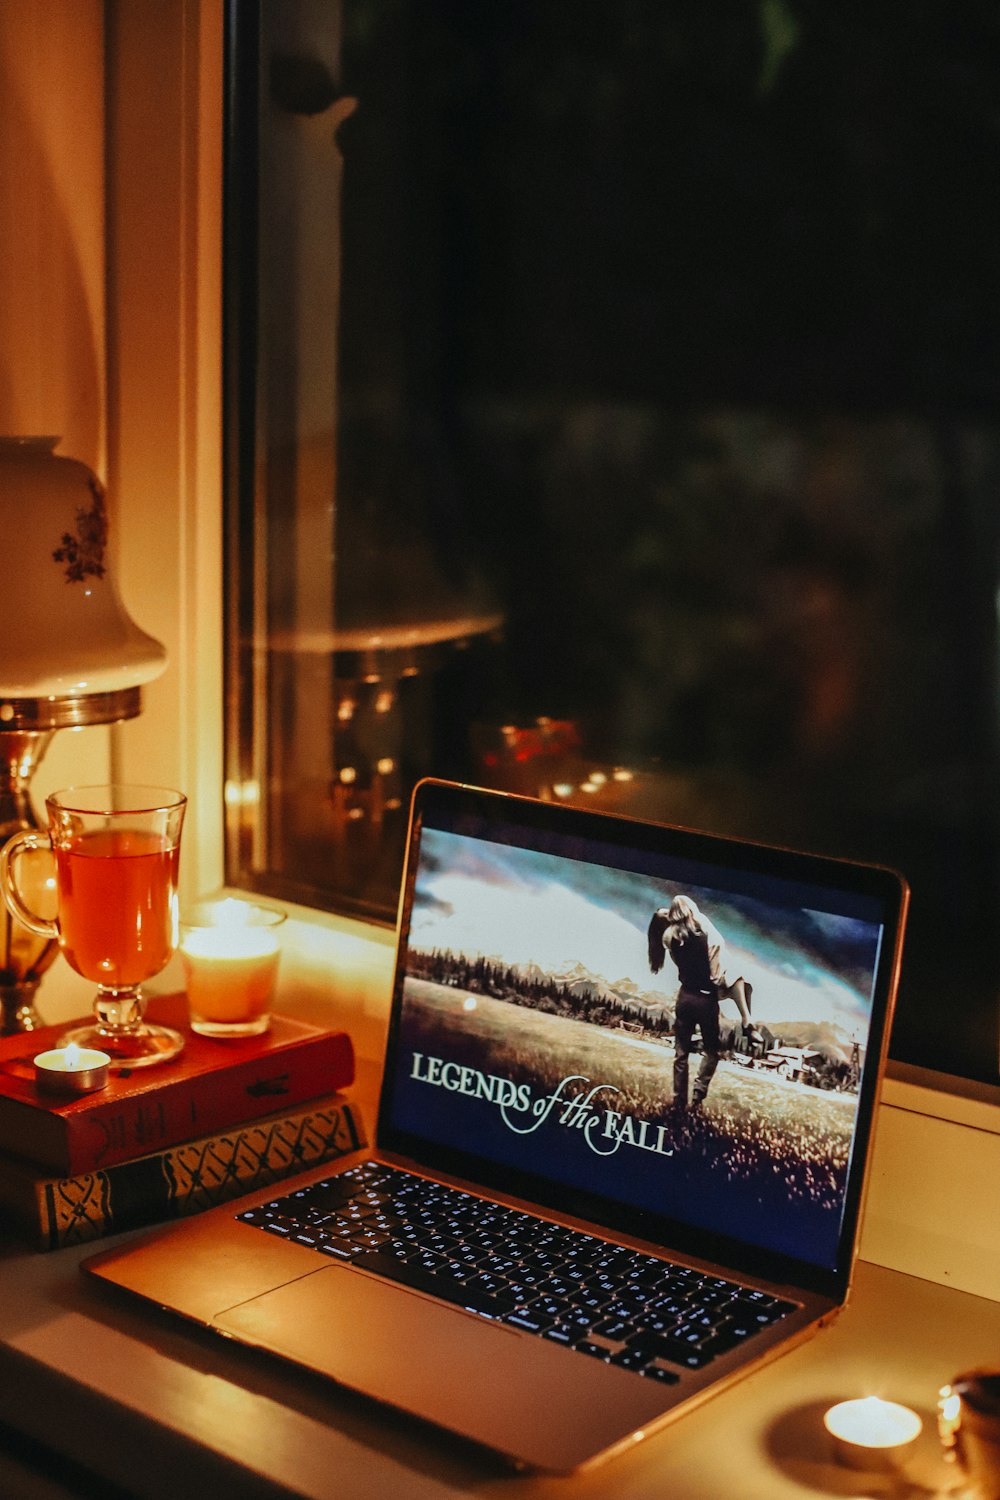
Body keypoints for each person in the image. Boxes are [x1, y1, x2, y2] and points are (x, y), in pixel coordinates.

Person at [647, 894, 758, 1111]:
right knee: (712, 1051)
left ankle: (679, 1102)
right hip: (706, 999)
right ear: (690, 909)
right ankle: (697, 1096)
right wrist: (720, 979)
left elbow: (672, 932)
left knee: (681, 1054)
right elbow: (716, 956)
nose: (665, 912)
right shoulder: (703, 929)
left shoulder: (669, 940)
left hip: (685, 997)